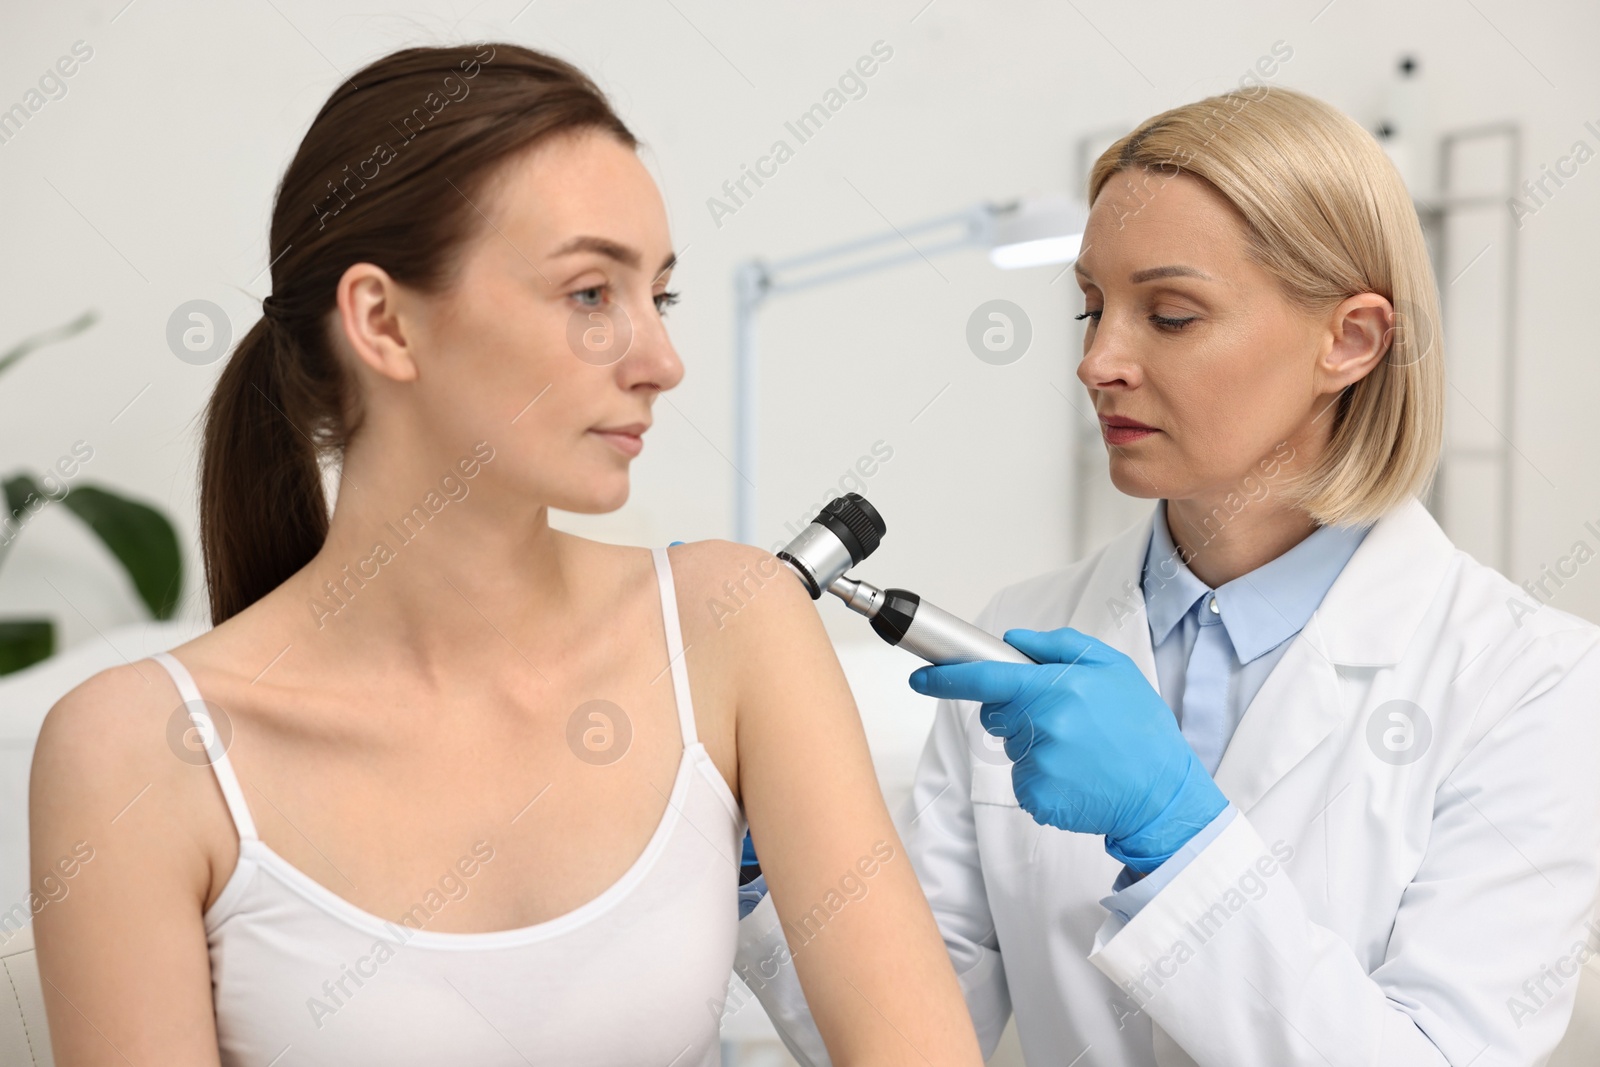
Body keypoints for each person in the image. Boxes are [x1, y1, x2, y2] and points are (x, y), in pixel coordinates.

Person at [28, 43, 984, 1067]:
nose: (661, 363)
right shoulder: (135, 751)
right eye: (587, 295)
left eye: (655, 296)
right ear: (384, 322)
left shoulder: (732, 622)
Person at [738, 85, 1600, 1066]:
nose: (1098, 360)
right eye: (1091, 306)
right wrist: (766, 873)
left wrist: (1175, 837)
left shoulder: (1536, 680)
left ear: (1349, 340)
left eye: (1172, 315)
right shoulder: (1020, 627)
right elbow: (921, 1033)